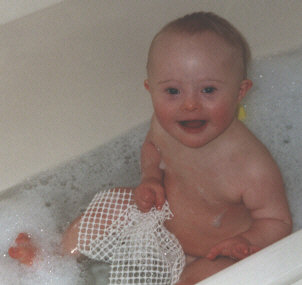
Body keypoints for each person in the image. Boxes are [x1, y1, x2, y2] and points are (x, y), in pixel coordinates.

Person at [9, 12, 292, 284]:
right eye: (172, 92)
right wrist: (151, 178)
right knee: (112, 205)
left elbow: (277, 221)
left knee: (193, 281)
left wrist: (246, 242)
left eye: (208, 90)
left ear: (240, 91)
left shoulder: (251, 166)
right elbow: (152, 148)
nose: (189, 104)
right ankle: (55, 258)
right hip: (161, 222)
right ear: (150, 89)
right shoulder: (164, 124)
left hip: (215, 252)